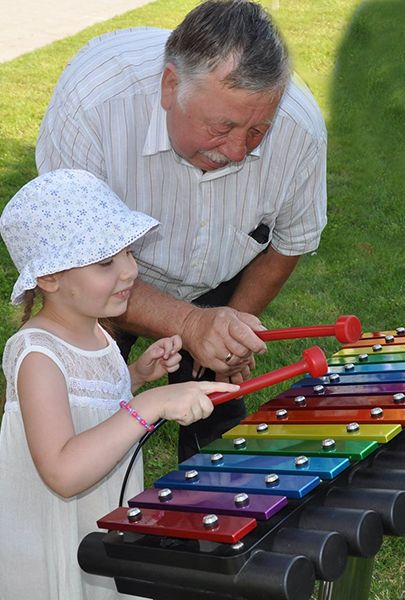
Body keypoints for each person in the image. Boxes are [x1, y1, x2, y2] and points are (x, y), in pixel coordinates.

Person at [36, 0, 328, 461]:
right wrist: (189, 323)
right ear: (170, 86)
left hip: (224, 272)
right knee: (69, 425)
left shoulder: (299, 131)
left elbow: (288, 244)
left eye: (257, 132)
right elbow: (74, 265)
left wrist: (225, 333)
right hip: (98, 273)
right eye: (222, 127)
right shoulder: (95, 104)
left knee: (224, 453)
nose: (237, 151)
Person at [0, 169, 240, 600]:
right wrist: (150, 403)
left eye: (128, 252)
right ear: (51, 278)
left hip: (98, 519)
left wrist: (134, 377)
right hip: (56, 535)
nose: (130, 270)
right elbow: (64, 471)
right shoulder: (37, 355)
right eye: (106, 262)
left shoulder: (96, 334)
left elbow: (82, 404)